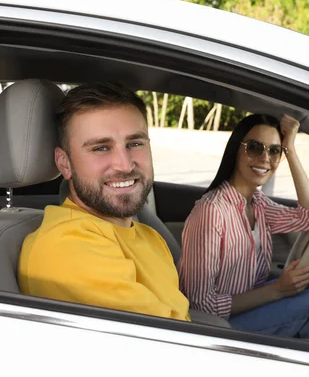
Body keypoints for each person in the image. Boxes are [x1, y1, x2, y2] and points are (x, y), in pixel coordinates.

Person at [18, 82, 190, 322]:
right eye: (100, 148)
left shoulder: (147, 235)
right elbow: (172, 346)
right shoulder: (67, 247)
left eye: (135, 144)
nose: (125, 164)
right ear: (64, 163)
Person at [178, 113, 309, 338]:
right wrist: (277, 289)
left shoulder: (257, 202)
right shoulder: (211, 212)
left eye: (275, 151)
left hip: (246, 303)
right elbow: (201, 306)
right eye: (255, 147)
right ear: (236, 150)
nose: (266, 158)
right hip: (217, 326)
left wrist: (291, 150)